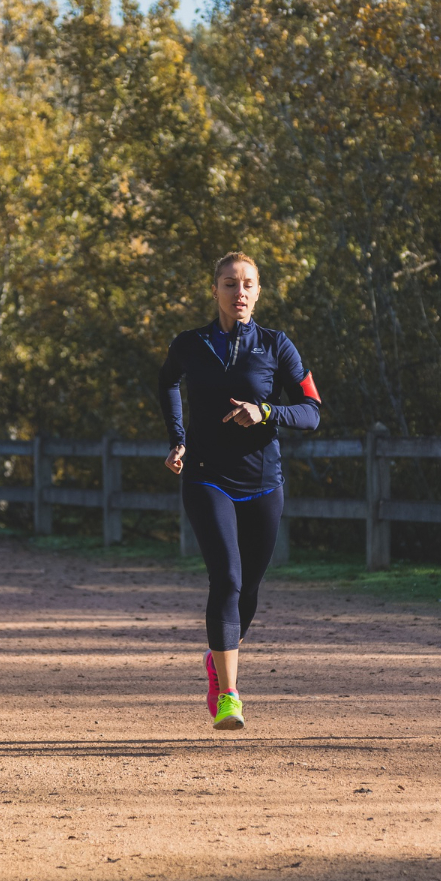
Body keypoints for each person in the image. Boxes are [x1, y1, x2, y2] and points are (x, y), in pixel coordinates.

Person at [158, 252, 321, 730]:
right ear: (215, 291)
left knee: (248, 587)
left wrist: (267, 412)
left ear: (259, 291)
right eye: (230, 284)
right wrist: (178, 437)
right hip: (207, 477)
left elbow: (312, 411)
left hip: (263, 483)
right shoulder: (190, 344)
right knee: (226, 579)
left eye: (248, 284)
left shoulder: (276, 345)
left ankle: (217, 656)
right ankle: (229, 694)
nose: (240, 293)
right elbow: (166, 381)